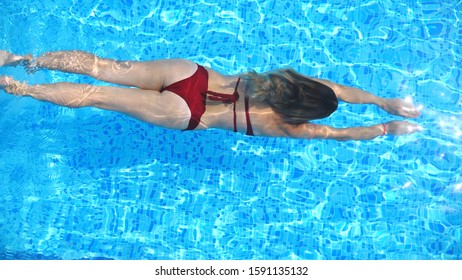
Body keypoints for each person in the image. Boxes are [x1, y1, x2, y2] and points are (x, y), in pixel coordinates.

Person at [0, 50, 422, 140]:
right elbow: (343, 135)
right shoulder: (289, 124)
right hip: (186, 111)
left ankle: (19, 59)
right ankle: (19, 89)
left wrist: (385, 101)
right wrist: (386, 125)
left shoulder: (286, 79)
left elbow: (342, 92)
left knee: (103, 68)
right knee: (95, 96)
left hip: (193, 75)